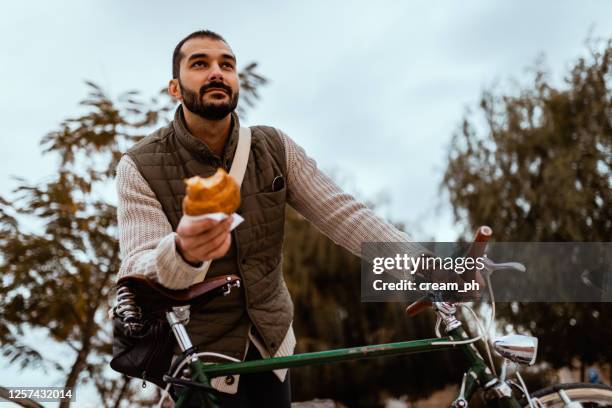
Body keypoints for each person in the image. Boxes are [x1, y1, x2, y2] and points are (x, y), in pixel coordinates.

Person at [115, 29, 424, 407]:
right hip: (200, 357)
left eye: (227, 65)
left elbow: (344, 213)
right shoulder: (139, 166)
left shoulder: (274, 147)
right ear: (175, 89)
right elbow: (138, 266)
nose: (217, 72)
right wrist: (182, 251)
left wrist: (432, 267)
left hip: (273, 351)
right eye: (200, 64)